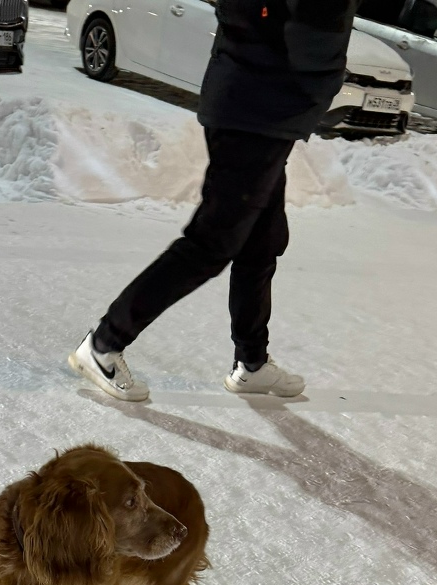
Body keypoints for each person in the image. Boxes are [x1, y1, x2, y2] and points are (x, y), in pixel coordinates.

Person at [70, 0, 357, 404]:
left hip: (265, 104)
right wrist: (318, 75)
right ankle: (103, 344)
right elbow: (310, 26)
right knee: (212, 243)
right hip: (258, 107)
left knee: (262, 242)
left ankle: (252, 364)